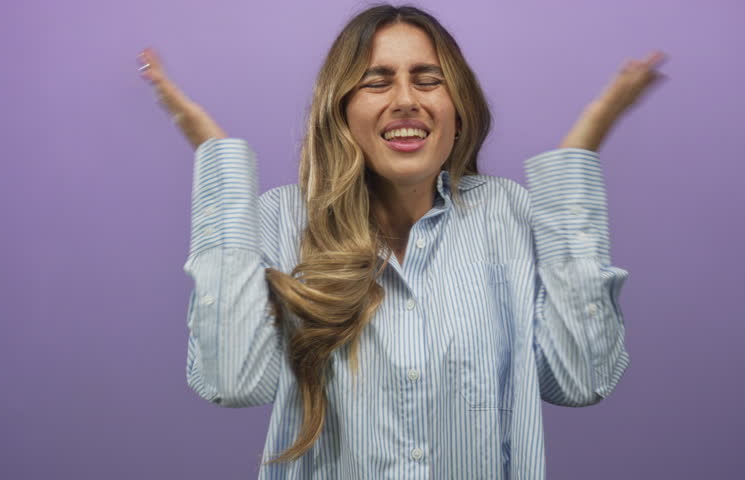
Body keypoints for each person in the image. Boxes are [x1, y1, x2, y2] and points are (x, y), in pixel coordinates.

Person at [138, 3, 666, 478]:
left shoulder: (508, 214)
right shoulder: (280, 220)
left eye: (427, 79)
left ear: (457, 110)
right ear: (342, 110)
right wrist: (217, 159)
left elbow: (580, 380)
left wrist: (585, 141)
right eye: (377, 81)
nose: (406, 100)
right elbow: (233, 382)